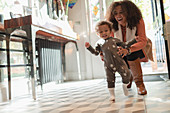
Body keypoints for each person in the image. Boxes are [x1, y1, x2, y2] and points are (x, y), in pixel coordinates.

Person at [85, 20, 137, 101]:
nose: (104, 33)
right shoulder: (99, 43)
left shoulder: (115, 40)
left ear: (110, 31)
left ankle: (125, 87)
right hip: (108, 65)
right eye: (101, 32)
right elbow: (96, 53)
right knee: (110, 80)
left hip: (120, 63)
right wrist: (89, 47)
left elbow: (125, 45)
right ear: (98, 34)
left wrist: (134, 40)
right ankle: (112, 95)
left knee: (127, 74)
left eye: (106, 30)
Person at [105, 0, 148, 95]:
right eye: (115, 13)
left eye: (121, 12)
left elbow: (142, 40)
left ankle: (140, 84)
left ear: (129, 12)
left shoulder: (137, 21)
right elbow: (109, 41)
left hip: (135, 47)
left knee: (131, 54)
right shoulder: (112, 24)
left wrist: (128, 49)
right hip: (119, 48)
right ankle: (129, 77)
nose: (118, 16)